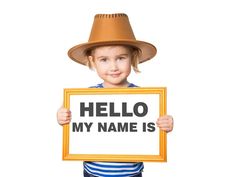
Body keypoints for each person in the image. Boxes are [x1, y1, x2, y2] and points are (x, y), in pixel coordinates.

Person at [57, 13, 173, 177]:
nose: (113, 67)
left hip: (131, 174)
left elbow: (153, 129)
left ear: (132, 58)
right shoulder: (86, 96)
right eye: (104, 60)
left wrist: (166, 124)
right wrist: (61, 116)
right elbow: (69, 120)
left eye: (120, 58)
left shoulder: (144, 98)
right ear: (93, 62)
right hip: (94, 173)